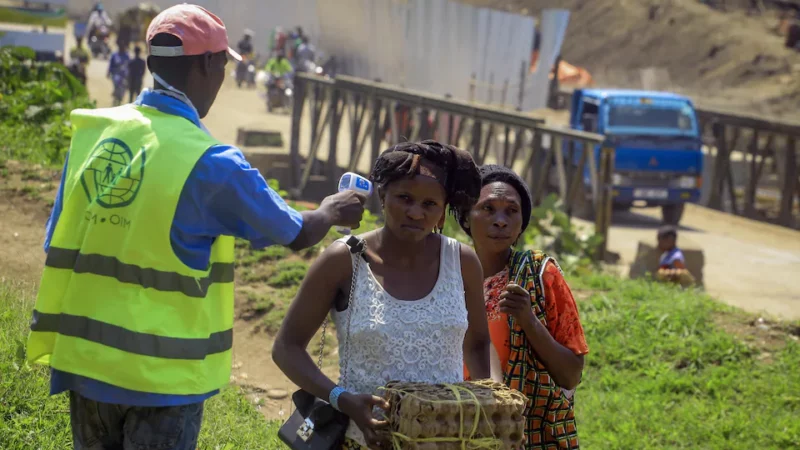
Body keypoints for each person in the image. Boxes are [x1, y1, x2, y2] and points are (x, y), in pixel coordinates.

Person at [26, 4, 365, 450]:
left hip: (86, 363)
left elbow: (59, 240)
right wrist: (331, 210)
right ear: (208, 63)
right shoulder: (213, 163)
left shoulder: (95, 133)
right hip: (161, 378)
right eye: (223, 64)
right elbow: (295, 232)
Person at [273, 141, 495, 449]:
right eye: (404, 198)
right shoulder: (343, 260)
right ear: (382, 197)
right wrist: (342, 399)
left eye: (429, 204)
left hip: (445, 440)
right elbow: (287, 347)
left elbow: (479, 343)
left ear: (443, 212)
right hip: (364, 441)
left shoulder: (462, 262)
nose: (415, 212)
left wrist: (482, 407)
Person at [461, 164, 589, 449]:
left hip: (527, 435)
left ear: (522, 223)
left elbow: (571, 374)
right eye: (488, 209)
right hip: (452, 428)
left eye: (511, 211)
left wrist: (527, 318)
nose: (500, 220)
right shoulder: (445, 277)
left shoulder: (540, 274)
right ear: (466, 217)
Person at [107, 41, 130, 106]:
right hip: (115, 74)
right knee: (117, 85)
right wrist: (108, 72)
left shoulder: (126, 56)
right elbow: (111, 65)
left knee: (123, 88)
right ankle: (115, 98)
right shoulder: (114, 55)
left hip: (124, 76)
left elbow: (129, 65)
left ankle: (119, 99)